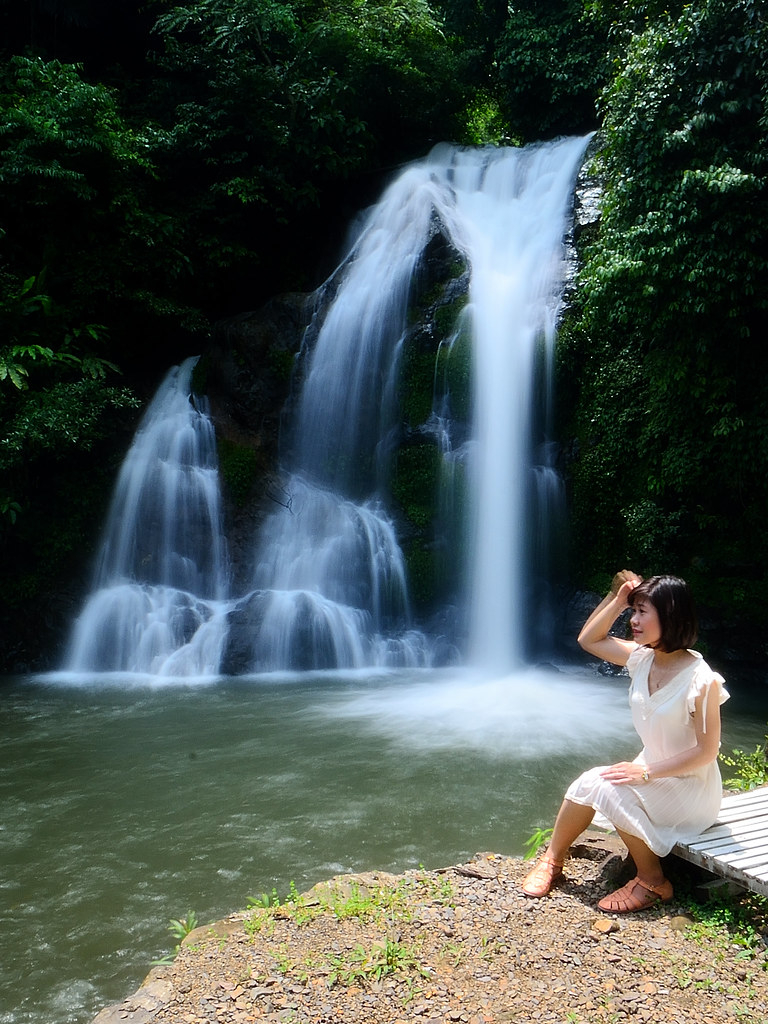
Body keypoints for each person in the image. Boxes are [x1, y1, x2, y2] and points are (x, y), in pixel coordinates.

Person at [521, 571, 729, 913]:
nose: (633, 620)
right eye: (633, 612)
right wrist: (618, 598)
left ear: (671, 615)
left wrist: (647, 772)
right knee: (589, 781)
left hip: (691, 789)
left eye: (642, 612)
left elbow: (707, 752)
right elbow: (589, 640)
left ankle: (653, 882)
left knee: (609, 788)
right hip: (653, 773)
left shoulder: (701, 680)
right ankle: (552, 861)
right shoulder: (642, 658)